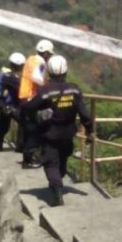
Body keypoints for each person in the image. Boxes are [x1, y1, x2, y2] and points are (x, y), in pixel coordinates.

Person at [27, 54, 92, 206]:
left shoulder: (45, 91)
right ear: (65, 72)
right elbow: (84, 114)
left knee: (51, 163)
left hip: (50, 135)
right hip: (68, 135)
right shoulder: (74, 90)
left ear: (49, 72)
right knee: (61, 161)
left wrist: (26, 110)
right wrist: (90, 130)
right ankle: (57, 182)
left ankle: (57, 192)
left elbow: (30, 107)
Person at [19, 39, 54, 168]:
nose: (49, 57)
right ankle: (30, 159)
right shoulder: (41, 62)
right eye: (49, 54)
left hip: (24, 97)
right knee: (34, 130)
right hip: (31, 98)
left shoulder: (30, 59)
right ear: (45, 53)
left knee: (29, 130)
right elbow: (37, 79)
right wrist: (47, 85)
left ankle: (28, 157)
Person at [0, 52, 25, 152]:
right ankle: (20, 147)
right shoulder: (9, 76)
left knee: (3, 126)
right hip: (9, 105)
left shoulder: (4, 73)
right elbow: (20, 87)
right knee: (24, 122)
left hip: (5, 103)